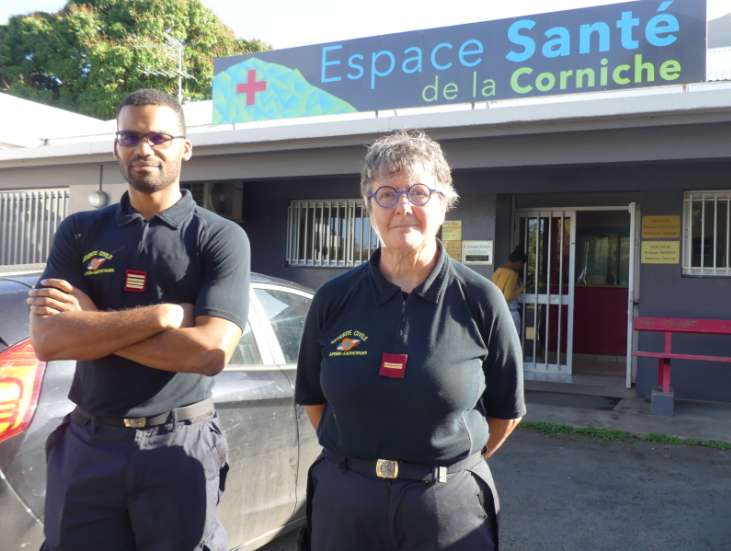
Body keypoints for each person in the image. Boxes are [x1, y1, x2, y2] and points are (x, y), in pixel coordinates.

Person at [27, 89, 250, 551]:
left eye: (159, 136)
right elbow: (49, 340)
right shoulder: (81, 231)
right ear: (116, 147)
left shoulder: (219, 238)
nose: (143, 148)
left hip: (179, 444)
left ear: (184, 148)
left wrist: (90, 324)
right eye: (130, 136)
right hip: (89, 443)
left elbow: (209, 353)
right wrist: (163, 316)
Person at [294, 130, 525, 551]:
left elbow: (507, 412)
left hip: (445, 506)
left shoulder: (479, 298)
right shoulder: (334, 299)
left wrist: (448, 468)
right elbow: (313, 398)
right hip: (346, 502)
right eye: (386, 193)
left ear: (444, 203)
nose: (403, 206)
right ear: (369, 207)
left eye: (419, 192)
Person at [491, 246, 527, 335]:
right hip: (511, 313)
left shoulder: (497, 271)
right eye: (522, 264)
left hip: (498, 313)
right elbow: (508, 296)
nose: (521, 267)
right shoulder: (513, 274)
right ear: (518, 262)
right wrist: (521, 289)